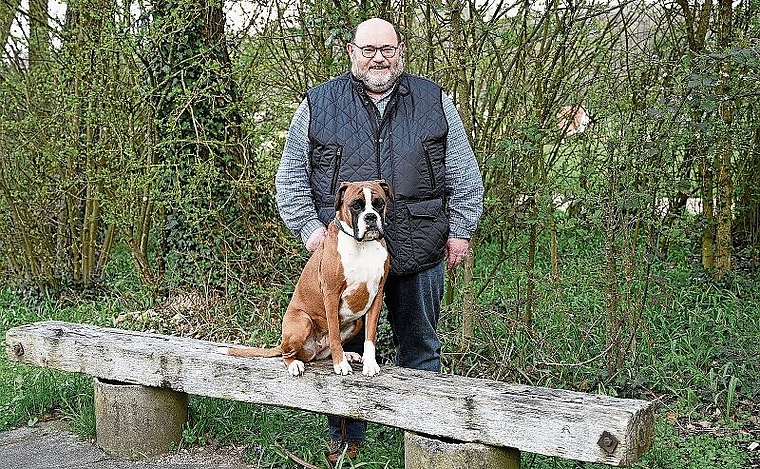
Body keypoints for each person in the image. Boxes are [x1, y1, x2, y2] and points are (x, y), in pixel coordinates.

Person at [275, 17, 484, 466]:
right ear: (352, 52)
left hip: (418, 249)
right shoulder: (318, 103)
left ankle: (427, 442)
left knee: (422, 347)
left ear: (400, 51)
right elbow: (291, 177)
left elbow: (464, 171)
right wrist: (313, 234)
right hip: (346, 257)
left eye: (387, 48)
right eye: (368, 49)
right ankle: (346, 442)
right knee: (343, 348)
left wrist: (461, 230)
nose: (378, 57)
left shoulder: (434, 100)